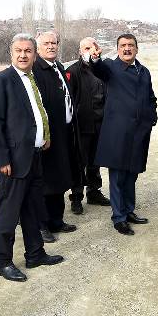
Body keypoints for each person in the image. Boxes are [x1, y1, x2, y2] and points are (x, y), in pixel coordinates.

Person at [0, 33, 64, 282]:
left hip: (34, 155)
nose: (23, 55)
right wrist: (1, 160)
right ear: (11, 53)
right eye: (18, 51)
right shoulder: (2, 81)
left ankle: (35, 253)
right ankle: (3, 261)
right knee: (9, 212)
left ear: (34, 53)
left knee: (32, 209)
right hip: (13, 162)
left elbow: (36, 112)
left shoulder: (31, 78)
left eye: (28, 51)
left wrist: (45, 135)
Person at [90, 34, 157, 236]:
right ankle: (119, 218)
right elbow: (98, 68)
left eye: (131, 45)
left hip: (139, 133)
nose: (127, 49)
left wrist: (151, 117)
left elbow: (151, 97)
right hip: (118, 133)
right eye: (123, 46)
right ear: (117, 49)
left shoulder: (143, 71)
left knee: (132, 174)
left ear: (137, 49)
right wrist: (94, 59)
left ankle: (129, 211)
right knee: (118, 177)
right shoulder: (110, 66)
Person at [33, 32, 79, 242]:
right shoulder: (35, 69)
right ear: (38, 46)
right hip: (47, 136)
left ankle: (57, 220)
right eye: (46, 43)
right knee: (45, 181)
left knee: (60, 176)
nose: (51, 46)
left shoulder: (58, 67)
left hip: (64, 131)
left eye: (54, 43)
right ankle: (41, 225)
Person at [65, 37, 111, 211]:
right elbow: (69, 101)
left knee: (95, 161)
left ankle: (94, 192)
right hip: (81, 126)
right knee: (79, 162)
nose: (89, 51)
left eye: (92, 47)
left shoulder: (103, 69)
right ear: (79, 51)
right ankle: (76, 196)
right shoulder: (73, 71)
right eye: (85, 48)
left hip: (101, 124)